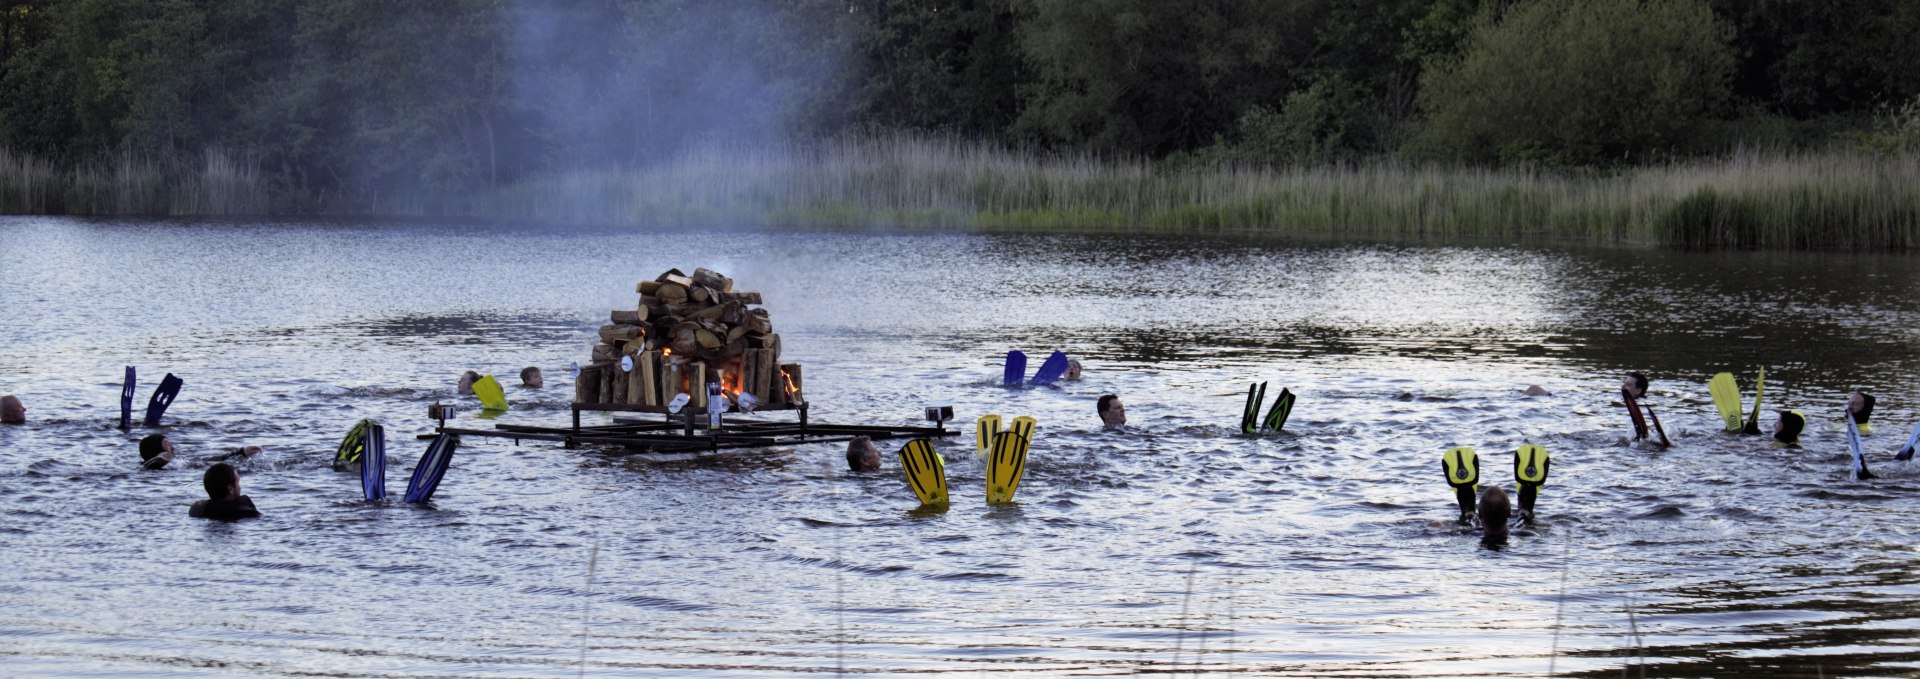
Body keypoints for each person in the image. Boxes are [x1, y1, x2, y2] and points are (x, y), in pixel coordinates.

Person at [188, 463, 261, 520]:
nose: (240, 486)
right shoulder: (246, 512)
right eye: (238, 482)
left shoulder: (198, 509)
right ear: (230, 489)